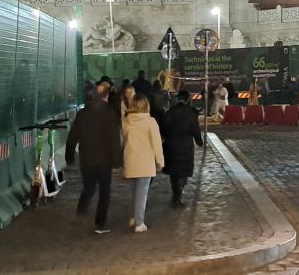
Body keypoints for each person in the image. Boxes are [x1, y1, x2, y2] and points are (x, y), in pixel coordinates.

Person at [66, 81, 123, 234]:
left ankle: (81, 213)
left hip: (86, 159)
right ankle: (100, 223)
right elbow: (113, 139)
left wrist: (69, 156)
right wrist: (117, 161)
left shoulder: (83, 113)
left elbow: (72, 137)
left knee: (89, 187)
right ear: (107, 95)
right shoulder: (109, 113)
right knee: (104, 191)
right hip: (104, 160)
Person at [121, 95, 166, 233]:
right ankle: (139, 223)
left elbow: (121, 142)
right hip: (145, 162)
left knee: (133, 193)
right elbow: (157, 144)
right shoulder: (150, 122)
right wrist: (160, 161)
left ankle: (133, 217)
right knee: (142, 193)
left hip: (130, 160)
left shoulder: (126, 121)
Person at [159, 89, 204, 207]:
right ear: (188, 99)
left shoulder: (169, 112)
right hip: (186, 146)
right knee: (184, 171)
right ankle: (180, 191)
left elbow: (163, 129)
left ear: (178, 98)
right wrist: (199, 142)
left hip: (171, 146)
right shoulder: (191, 113)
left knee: (174, 172)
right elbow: (195, 129)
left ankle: (175, 195)